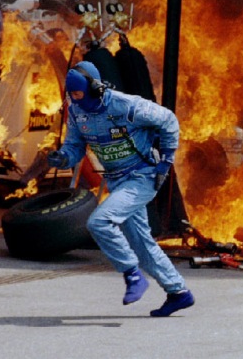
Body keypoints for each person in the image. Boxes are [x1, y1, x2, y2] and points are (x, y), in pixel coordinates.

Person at [45, 61, 194, 317]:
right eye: (72, 94)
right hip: (117, 181)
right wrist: (63, 158)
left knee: (100, 222)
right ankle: (179, 292)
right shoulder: (76, 110)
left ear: (94, 88)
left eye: (79, 92)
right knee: (141, 243)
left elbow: (168, 120)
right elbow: (75, 145)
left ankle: (133, 276)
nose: (75, 98)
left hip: (143, 176)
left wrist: (166, 162)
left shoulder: (126, 105)